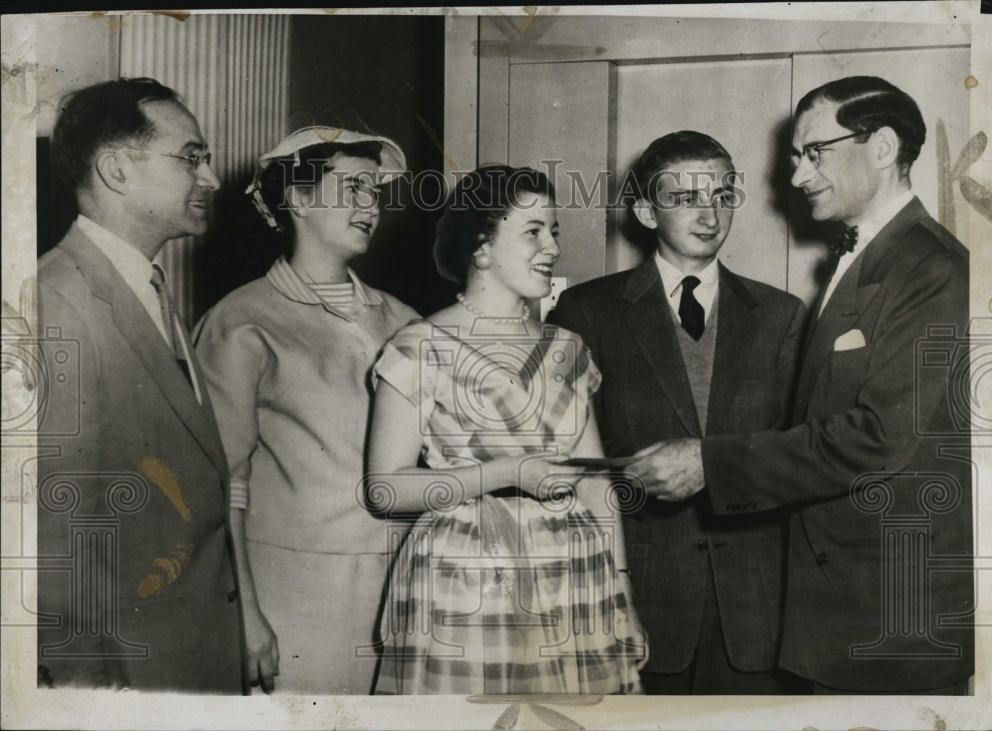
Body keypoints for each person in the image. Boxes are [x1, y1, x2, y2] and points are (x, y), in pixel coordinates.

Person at [629, 76, 973, 694]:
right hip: (842, 613)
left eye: (815, 152)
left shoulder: (932, 268)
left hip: (887, 623)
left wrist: (712, 463)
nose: (796, 176)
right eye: (795, 157)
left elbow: (880, 436)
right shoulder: (872, 259)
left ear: (883, 147)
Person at [367, 165, 646, 694]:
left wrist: (622, 594)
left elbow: (594, 481)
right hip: (467, 579)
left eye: (555, 231)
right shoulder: (418, 346)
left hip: (574, 579)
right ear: (482, 249)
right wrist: (507, 472)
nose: (552, 247)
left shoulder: (567, 348)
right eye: (533, 231)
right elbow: (385, 489)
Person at [548, 131, 807, 693]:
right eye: (686, 198)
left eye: (721, 195)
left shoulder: (782, 316)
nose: (709, 214)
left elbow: (798, 455)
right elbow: (567, 462)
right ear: (645, 210)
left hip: (755, 611)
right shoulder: (585, 311)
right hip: (637, 599)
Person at [194, 126, 418, 694]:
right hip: (294, 598)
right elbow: (221, 483)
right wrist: (244, 613)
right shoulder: (241, 322)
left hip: (404, 588)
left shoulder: (405, 319)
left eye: (375, 191)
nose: (371, 205)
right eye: (354, 188)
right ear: (298, 198)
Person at [35, 77, 242, 691]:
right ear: (118, 169)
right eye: (191, 157)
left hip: (188, 656)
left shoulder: (143, 285)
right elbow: (54, 535)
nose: (210, 178)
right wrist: (90, 698)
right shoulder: (53, 305)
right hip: (132, 680)